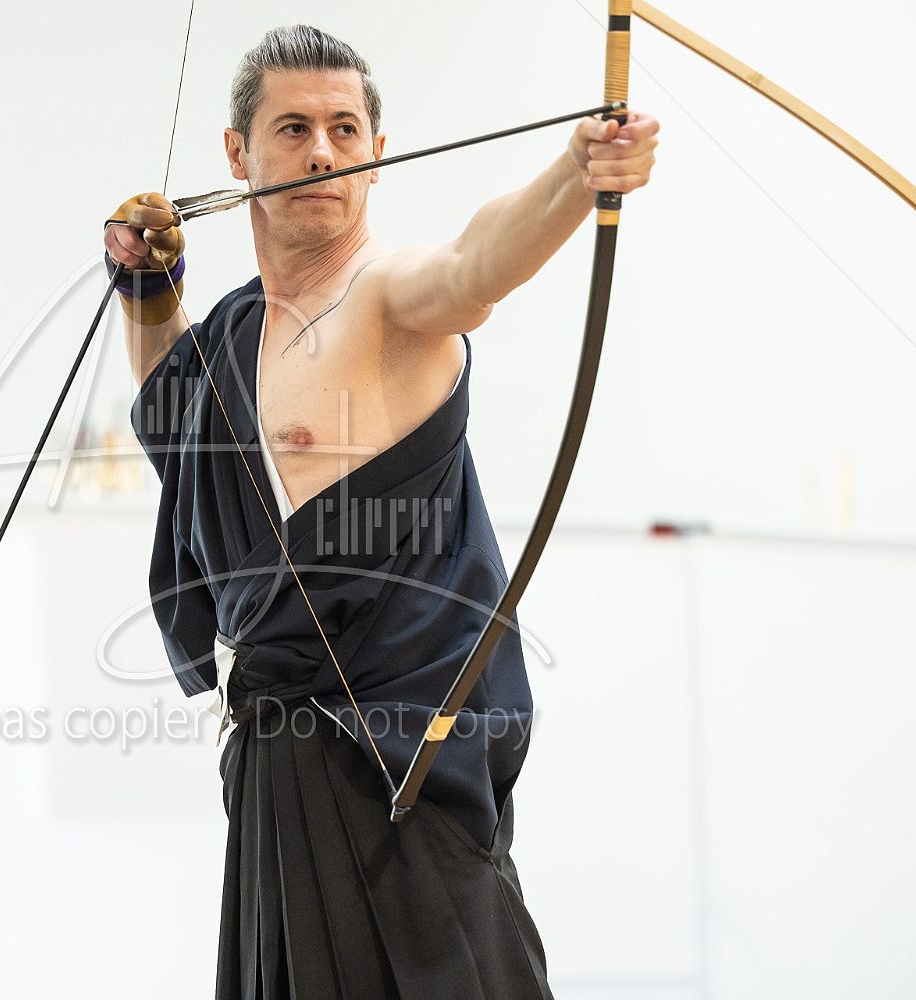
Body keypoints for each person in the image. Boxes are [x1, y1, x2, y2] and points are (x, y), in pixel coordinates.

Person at [108, 23, 657, 1000]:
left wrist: (577, 175)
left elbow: (472, 266)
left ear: (377, 150)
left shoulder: (388, 296)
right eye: (291, 129)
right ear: (237, 153)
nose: (321, 151)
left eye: (343, 129)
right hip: (274, 781)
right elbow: (176, 416)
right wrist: (148, 290)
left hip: (398, 789)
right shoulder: (233, 330)